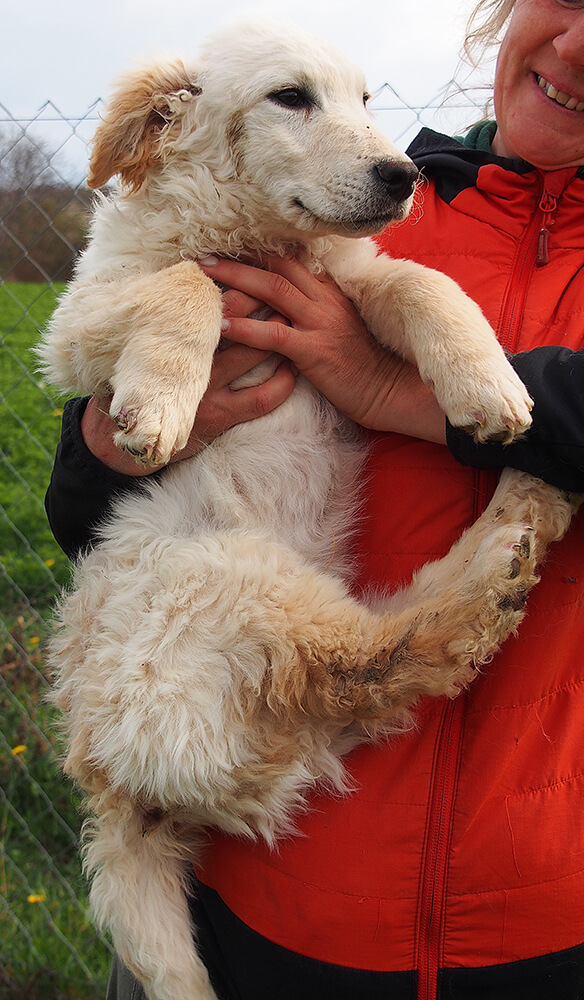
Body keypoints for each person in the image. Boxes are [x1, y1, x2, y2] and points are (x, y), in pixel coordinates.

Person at [45, 0, 584, 997]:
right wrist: (109, 442)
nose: (578, 44)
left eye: (358, 101)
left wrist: (390, 389)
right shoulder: (381, 201)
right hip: (275, 892)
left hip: (541, 905)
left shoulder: (358, 215)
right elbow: (83, 506)